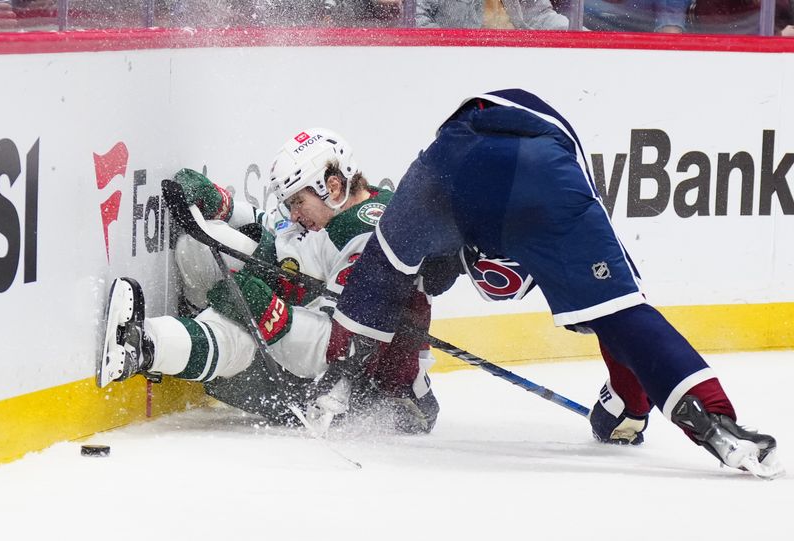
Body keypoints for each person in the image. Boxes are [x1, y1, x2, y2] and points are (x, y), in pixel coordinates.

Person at [305, 89, 785, 479]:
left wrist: (337, 378)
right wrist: (625, 414)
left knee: (387, 270)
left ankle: (338, 386)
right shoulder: (566, 195)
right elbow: (625, 326)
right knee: (617, 312)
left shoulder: (432, 194)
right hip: (533, 164)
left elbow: (374, 284)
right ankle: (717, 424)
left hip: (448, 161)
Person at [99, 128, 439, 433]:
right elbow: (281, 233)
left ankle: (141, 348)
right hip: (325, 339)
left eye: (297, 202)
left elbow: (342, 350)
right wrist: (224, 205)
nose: (293, 213)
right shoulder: (344, 209)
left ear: (332, 186)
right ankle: (191, 334)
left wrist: (268, 312)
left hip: (352, 389)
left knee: (238, 335)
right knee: (199, 246)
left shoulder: (367, 239)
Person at [416, 0, 571, 30]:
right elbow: (416, 19)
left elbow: (541, 16)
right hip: (458, 67)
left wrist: (581, 34)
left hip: (518, 62)